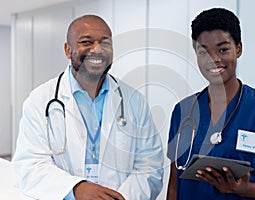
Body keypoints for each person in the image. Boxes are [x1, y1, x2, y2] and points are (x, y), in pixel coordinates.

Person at [12, 14, 163, 200]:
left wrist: (120, 198)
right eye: (86, 42)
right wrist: (75, 189)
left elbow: (150, 166)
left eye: (105, 43)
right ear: (68, 50)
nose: (97, 50)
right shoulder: (40, 100)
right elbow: (30, 165)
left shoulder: (134, 101)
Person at [166, 8, 255, 199]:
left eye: (223, 49)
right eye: (203, 51)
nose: (214, 60)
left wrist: (245, 189)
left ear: (238, 48)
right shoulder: (183, 111)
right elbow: (174, 185)